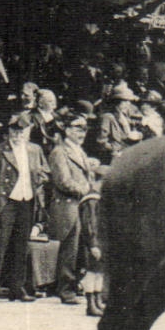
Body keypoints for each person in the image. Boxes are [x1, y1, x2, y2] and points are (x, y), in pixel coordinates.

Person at [0, 112, 48, 302]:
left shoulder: (34, 150)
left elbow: (45, 172)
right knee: (0, 246)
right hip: (6, 203)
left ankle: (18, 288)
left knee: (21, 247)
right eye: (14, 132)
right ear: (8, 132)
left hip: (27, 201)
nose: (17, 136)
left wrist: (38, 181)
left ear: (28, 132)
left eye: (21, 132)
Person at [46, 111, 100, 305]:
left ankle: (74, 285)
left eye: (84, 129)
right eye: (77, 128)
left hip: (82, 205)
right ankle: (65, 289)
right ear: (66, 129)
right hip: (68, 205)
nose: (82, 132)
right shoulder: (59, 152)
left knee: (81, 249)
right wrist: (86, 190)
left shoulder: (79, 151)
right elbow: (63, 181)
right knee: (69, 248)